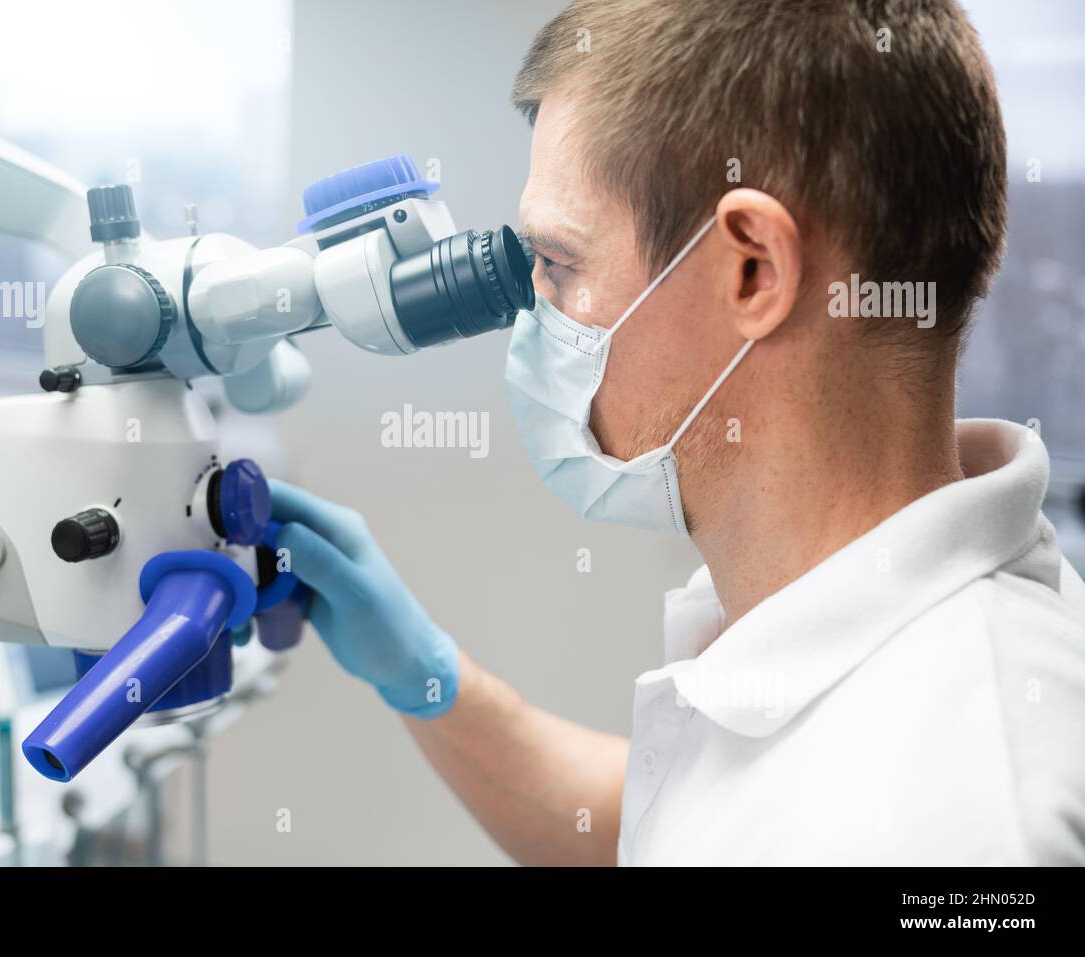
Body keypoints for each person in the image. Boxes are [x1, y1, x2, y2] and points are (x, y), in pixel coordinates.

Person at [271, 0, 1085, 865]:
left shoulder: (967, 818)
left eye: (559, 262)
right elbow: (675, 824)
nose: (533, 311)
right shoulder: (844, 635)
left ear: (752, 270)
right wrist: (427, 676)